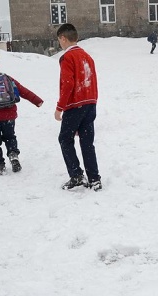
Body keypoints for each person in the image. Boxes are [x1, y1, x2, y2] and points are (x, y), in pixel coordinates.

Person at [55, 23, 102, 191]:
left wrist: (60, 107)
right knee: (87, 143)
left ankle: (76, 175)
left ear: (63, 38)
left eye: (59, 40)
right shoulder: (87, 56)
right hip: (90, 104)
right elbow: (93, 81)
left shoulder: (67, 57)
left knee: (64, 139)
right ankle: (94, 178)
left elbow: (67, 84)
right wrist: (93, 102)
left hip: (75, 105)